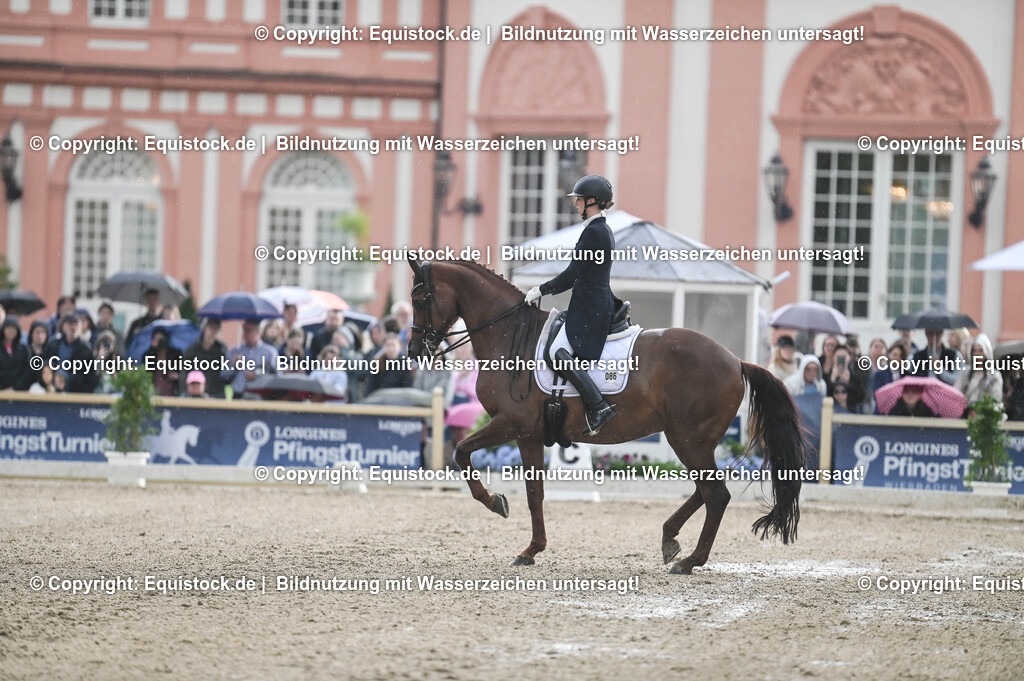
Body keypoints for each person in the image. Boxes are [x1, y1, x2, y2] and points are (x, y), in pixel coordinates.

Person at [524, 174, 618, 436]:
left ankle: (598, 406)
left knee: (556, 352)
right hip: (590, 303)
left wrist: (542, 289)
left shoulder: (595, 232)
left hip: (591, 307)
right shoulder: (599, 230)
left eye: (579, 201)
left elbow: (573, 272)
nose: (576, 205)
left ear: (592, 201)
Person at [222, 318, 278, 398]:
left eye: (249, 330)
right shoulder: (235, 351)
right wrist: (233, 366)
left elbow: (276, 376)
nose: (245, 334)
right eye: (244, 330)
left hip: (261, 394)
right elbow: (223, 375)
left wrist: (257, 376)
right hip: (239, 394)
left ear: (258, 332)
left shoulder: (270, 353)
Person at [43, 314, 97, 393]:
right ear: (63, 326)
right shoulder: (53, 344)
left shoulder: (86, 350)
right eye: (70, 324)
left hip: (74, 393)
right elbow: (44, 362)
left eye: (76, 324)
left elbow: (89, 377)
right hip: (51, 389)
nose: (73, 327)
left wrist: (66, 379)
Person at [179, 318, 228, 398]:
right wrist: (184, 392)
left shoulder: (222, 350)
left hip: (216, 393)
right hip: (195, 394)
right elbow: (184, 373)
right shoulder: (192, 350)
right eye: (211, 327)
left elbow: (226, 375)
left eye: (217, 328)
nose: (213, 331)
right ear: (204, 328)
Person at [955, 333, 1002, 415]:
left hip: (984, 417)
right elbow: (956, 392)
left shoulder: (994, 376)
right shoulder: (965, 373)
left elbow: (995, 399)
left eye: (980, 351)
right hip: (964, 414)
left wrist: (980, 410)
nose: (977, 354)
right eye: (975, 350)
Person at [143, 327, 183, 397]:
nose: (157, 341)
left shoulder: (175, 355)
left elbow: (183, 374)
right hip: (154, 393)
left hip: (173, 394)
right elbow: (146, 375)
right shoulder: (148, 356)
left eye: (160, 339)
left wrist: (176, 376)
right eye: (154, 339)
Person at [872, 341, 909, 412]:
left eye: (900, 356)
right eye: (895, 355)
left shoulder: (906, 375)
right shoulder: (880, 374)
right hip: (883, 411)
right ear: (889, 355)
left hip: (901, 412)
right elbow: (876, 394)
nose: (897, 358)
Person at [0, 317, 29, 391]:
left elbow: (26, 371)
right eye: (8, 328)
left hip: (18, 392)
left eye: (13, 328)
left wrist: (15, 388)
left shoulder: (23, 349)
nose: (11, 331)